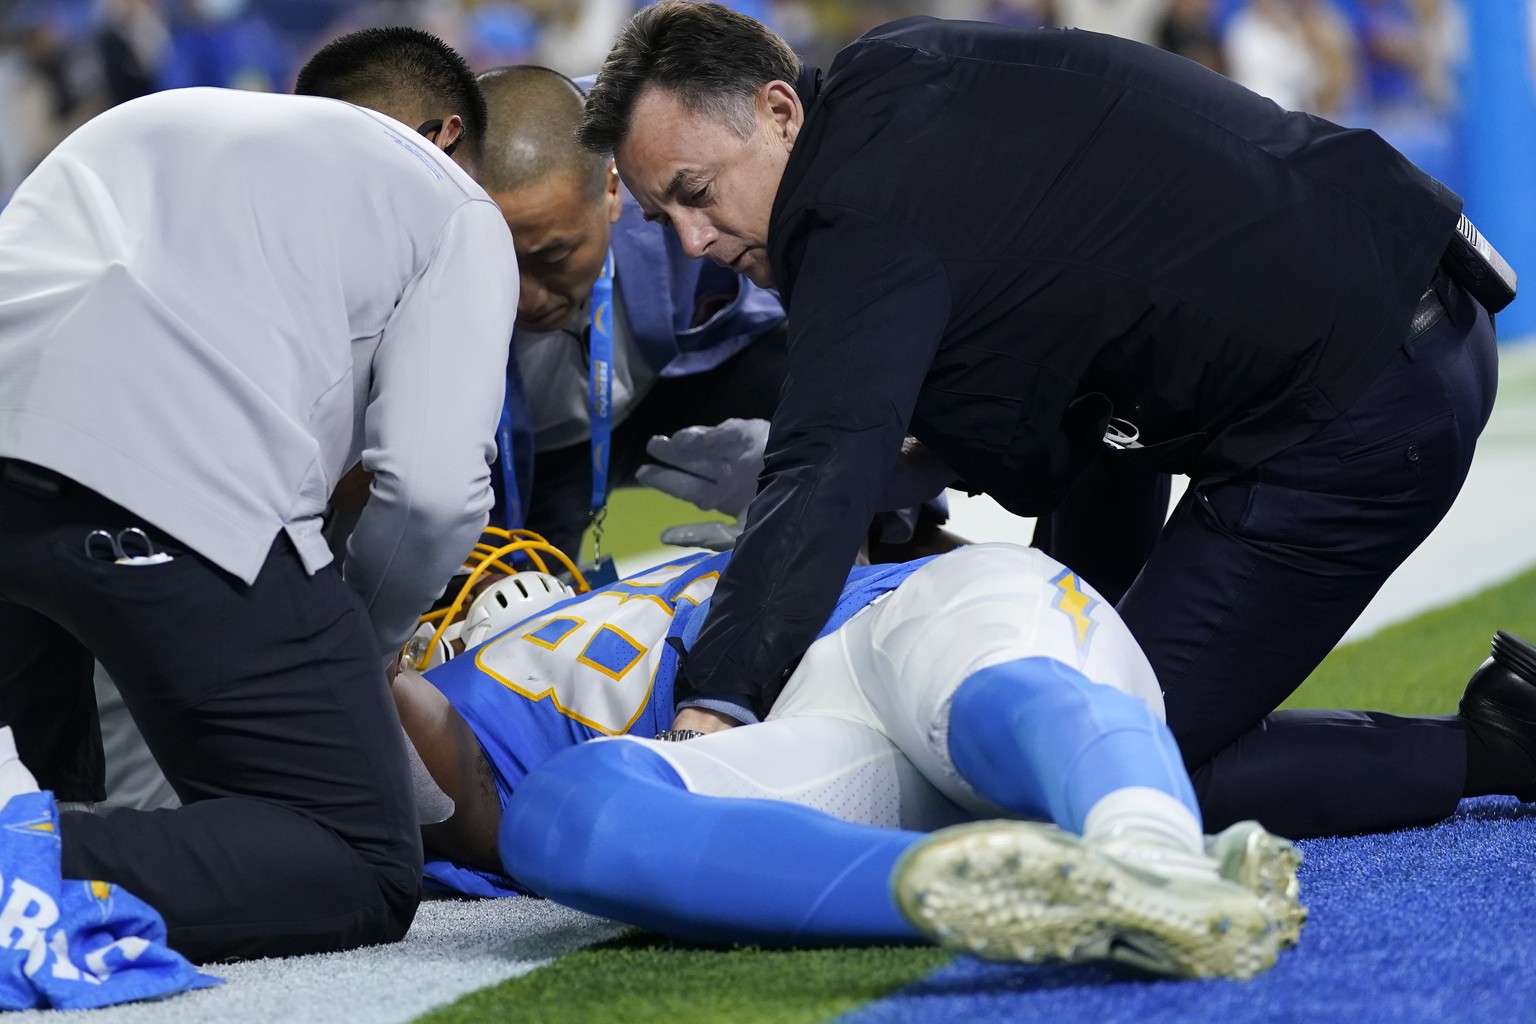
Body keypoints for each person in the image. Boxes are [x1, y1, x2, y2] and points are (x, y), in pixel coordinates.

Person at [573, 3, 1518, 840]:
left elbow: (826, 457)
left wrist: (711, 715)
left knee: (1095, 767)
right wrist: (900, 482)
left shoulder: (848, 206)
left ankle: (1500, 748)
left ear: (781, 112)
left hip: (1357, 399)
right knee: (1047, 669)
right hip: (1383, 313)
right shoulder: (887, 81)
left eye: (696, 195)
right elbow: (1058, 356)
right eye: (663, 220)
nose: (694, 242)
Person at [0, 26, 516, 960]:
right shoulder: (452, 200)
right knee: (354, 857)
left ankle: (37, 867)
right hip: (171, 478)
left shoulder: (152, 117)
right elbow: (434, 492)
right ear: (445, 138)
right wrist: (358, 651)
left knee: (50, 772)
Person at [392, 542, 1306, 980]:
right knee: (565, 818)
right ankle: (1035, 887)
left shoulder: (487, 673)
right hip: (821, 724)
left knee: (992, 685)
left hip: (911, 619)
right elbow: (477, 806)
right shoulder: (482, 707)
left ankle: (1148, 852)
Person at [470, 64, 786, 558]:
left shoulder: (680, 175)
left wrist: (828, 472)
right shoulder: (406, 258)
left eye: (553, 255)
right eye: (500, 262)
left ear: (613, 191)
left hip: (677, 384)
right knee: (503, 601)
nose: (526, 298)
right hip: (528, 452)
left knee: (814, 391)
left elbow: (846, 309)